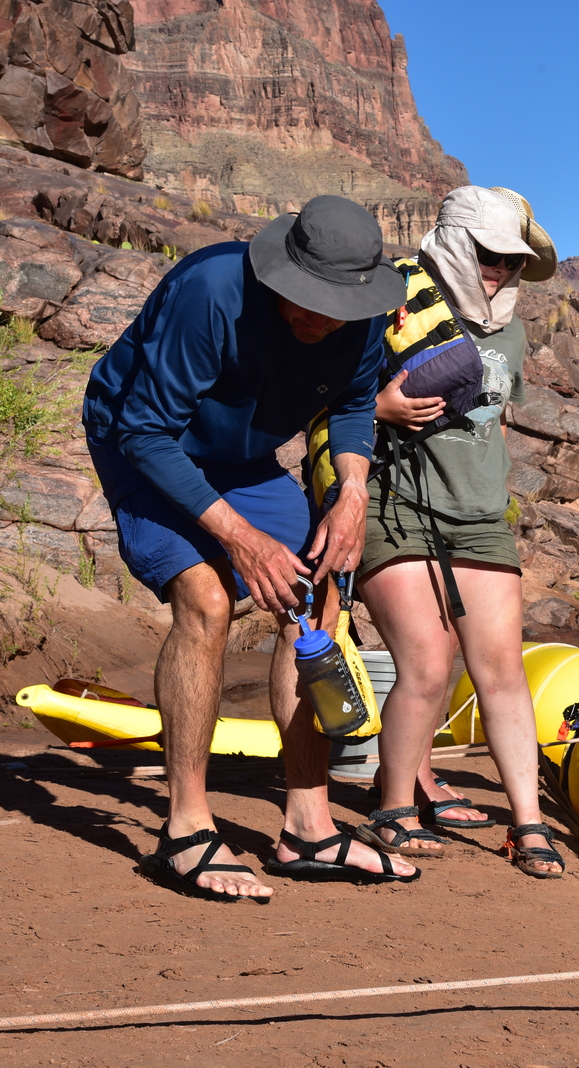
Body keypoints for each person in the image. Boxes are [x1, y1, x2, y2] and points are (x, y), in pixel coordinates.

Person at [81, 195, 416, 900]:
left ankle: (308, 826)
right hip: (144, 439)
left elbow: (354, 406)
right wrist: (240, 538)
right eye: (308, 300)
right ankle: (186, 827)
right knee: (206, 598)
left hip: (244, 457)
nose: (320, 319)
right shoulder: (210, 292)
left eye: (335, 306)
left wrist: (352, 493)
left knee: (313, 600)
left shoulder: (359, 319)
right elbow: (145, 431)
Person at [354, 185, 564, 877]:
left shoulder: (512, 331)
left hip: (480, 517)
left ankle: (527, 823)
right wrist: (380, 409)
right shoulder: (391, 302)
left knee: (501, 670)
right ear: (454, 243)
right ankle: (394, 808)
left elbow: (495, 418)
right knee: (425, 664)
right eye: (488, 255)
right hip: (397, 504)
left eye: (513, 260)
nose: (500, 270)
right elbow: (330, 398)